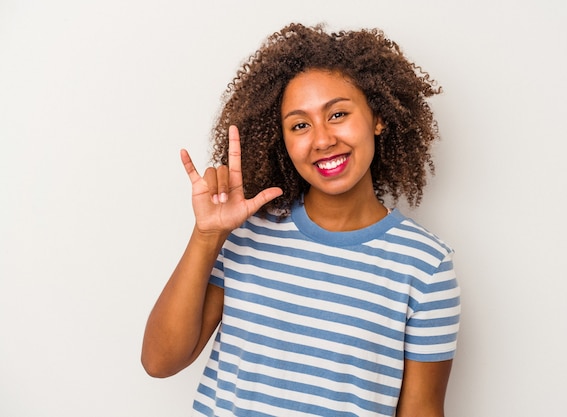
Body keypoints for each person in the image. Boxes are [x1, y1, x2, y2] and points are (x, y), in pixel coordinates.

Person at [141, 23, 461, 417]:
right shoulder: (247, 232)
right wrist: (207, 236)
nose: (322, 139)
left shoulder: (425, 265)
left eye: (338, 114)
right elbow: (160, 362)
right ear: (283, 140)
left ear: (377, 118)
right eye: (300, 125)